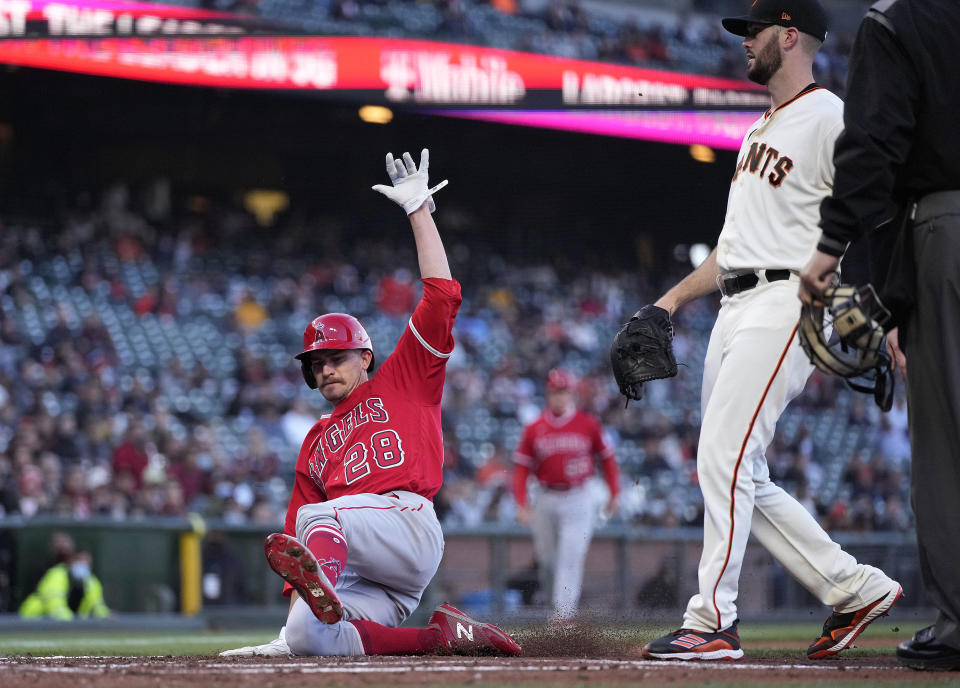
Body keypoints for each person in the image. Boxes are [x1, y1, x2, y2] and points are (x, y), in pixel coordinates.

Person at [636, 0, 902, 662]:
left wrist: (895, 306)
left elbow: (878, 204)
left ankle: (713, 620)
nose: (743, 42)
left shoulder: (830, 116)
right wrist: (665, 304)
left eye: (752, 31)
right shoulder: (759, 131)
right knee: (737, 471)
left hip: (788, 298)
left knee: (723, 459)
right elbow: (730, 250)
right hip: (734, 304)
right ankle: (857, 587)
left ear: (789, 35)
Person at [221, 149, 521, 658]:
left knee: (317, 519)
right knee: (309, 637)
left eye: (334, 358)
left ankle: (322, 599)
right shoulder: (314, 441)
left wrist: (419, 211)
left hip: (406, 524)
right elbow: (298, 541)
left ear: (365, 356)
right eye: (315, 365)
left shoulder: (404, 378)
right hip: (372, 575)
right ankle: (444, 637)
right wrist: (292, 626)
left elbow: (442, 296)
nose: (324, 370)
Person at [798, 0, 960, 671]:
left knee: (946, 446)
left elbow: (873, 147)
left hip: (946, 225)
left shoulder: (898, 19)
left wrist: (832, 246)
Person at [512, 368, 619, 624]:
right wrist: (521, 503)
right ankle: (556, 608)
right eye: (555, 392)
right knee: (547, 562)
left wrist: (614, 492)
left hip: (579, 496)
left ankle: (562, 616)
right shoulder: (535, 427)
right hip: (546, 496)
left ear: (571, 393)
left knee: (570, 557)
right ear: (548, 394)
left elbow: (608, 460)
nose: (560, 397)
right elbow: (521, 469)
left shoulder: (588, 423)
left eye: (564, 391)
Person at [19, 549, 110, 620]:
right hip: (34, 619)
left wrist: (109, 618)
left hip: (64, 625)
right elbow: (55, 607)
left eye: (87, 562)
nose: (83, 565)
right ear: (71, 561)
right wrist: (74, 624)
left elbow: (98, 607)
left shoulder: (91, 582)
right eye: (80, 560)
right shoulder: (57, 574)